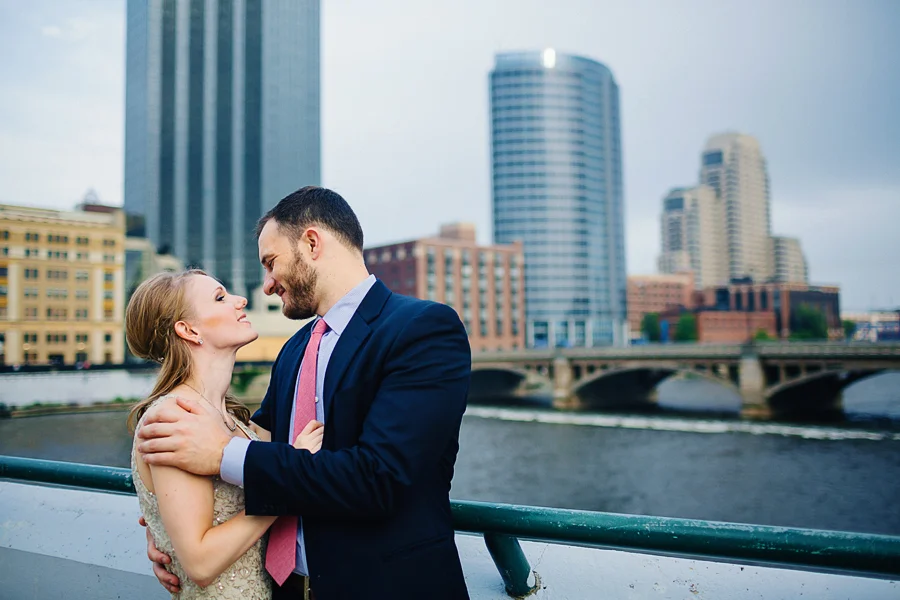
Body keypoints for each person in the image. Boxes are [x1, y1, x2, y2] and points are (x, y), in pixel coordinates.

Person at [137, 186, 472, 599]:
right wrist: (165, 531)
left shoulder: (422, 329)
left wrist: (222, 454)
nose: (266, 285)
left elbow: (380, 478)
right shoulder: (295, 349)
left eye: (270, 263)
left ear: (311, 243)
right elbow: (258, 443)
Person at [127, 269, 325, 598]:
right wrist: (289, 484)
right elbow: (201, 563)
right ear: (188, 330)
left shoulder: (236, 420)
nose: (241, 300)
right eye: (220, 297)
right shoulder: (175, 417)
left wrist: (162, 526)